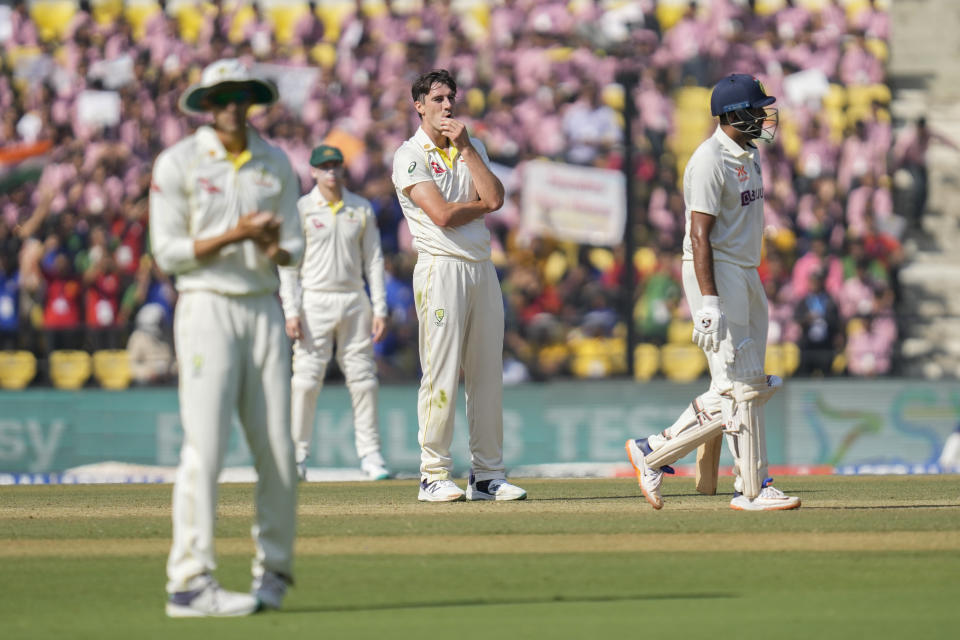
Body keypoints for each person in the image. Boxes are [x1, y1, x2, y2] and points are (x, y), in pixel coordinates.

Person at [149, 59, 304, 617]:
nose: (233, 105)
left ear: (252, 101)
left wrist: (272, 249)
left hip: (262, 307)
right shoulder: (181, 162)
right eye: (223, 97)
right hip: (207, 305)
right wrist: (238, 231)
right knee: (205, 450)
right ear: (207, 104)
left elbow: (295, 247)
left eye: (242, 96)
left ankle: (275, 574)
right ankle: (189, 583)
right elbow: (167, 251)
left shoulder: (274, 162)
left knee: (280, 453)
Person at [624, 74, 800, 512]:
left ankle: (653, 450)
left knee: (747, 383)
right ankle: (751, 489)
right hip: (716, 271)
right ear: (733, 114)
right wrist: (709, 303)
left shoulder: (748, 154)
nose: (763, 116)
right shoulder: (708, 160)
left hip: (745, 271)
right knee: (736, 387)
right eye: (756, 109)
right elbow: (698, 234)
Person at [391, 69, 526, 502]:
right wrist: (478, 204)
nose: (447, 106)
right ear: (419, 105)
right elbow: (443, 216)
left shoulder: (472, 147)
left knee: (487, 374)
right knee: (442, 371)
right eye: (437, 99)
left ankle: (487, 476)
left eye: (451, 98)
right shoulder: (410, 155)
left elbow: (497, 198)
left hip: (481, 267)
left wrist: (467, 149)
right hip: (440, 267)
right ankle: (433, 473)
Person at [279, 144, 391, 482]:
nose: (330, 172)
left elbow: (373, 259)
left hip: (354, 299)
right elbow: (288, 265)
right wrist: (291, 309)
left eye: (335, 166)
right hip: (314, 300)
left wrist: (380, 307)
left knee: (364, 381)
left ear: (342, 169)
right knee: (305, 382)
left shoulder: (360, 208)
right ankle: (297, 457)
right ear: (312, 172)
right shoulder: (301, 209)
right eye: (323, 167)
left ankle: (370, 456)